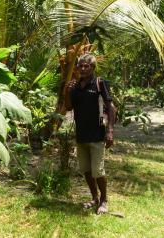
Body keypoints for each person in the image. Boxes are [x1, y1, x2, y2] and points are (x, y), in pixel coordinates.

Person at [65, 54, 115, 215]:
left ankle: (104, 200)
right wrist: (67, 91)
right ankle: (94, 197)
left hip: (98, 135)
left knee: (98, 171)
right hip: (81, 135)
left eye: (87, 66)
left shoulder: (100, 83)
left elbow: (111, 107)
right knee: (86, 170)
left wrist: (110, 131)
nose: (83, 68)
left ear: (93, 68)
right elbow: (68, 108)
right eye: (81, 66)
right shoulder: (75, 86)